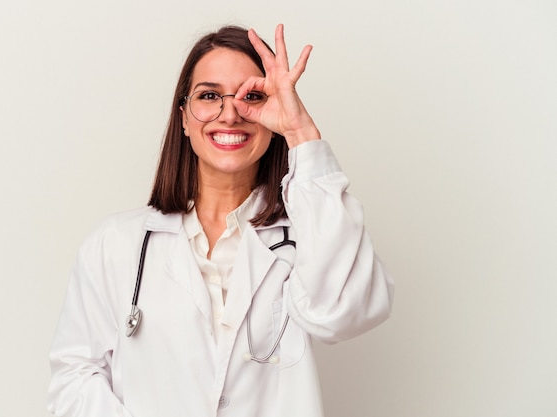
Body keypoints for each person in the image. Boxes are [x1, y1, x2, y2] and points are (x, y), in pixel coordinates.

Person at [47, 23, 394, 417]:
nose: (230, 114)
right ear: (183, 117)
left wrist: (301, 133)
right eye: (209, 96)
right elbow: (74, 379)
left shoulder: (310, 234)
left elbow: (345, 313)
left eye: (252, 96)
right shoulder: (116, 243)